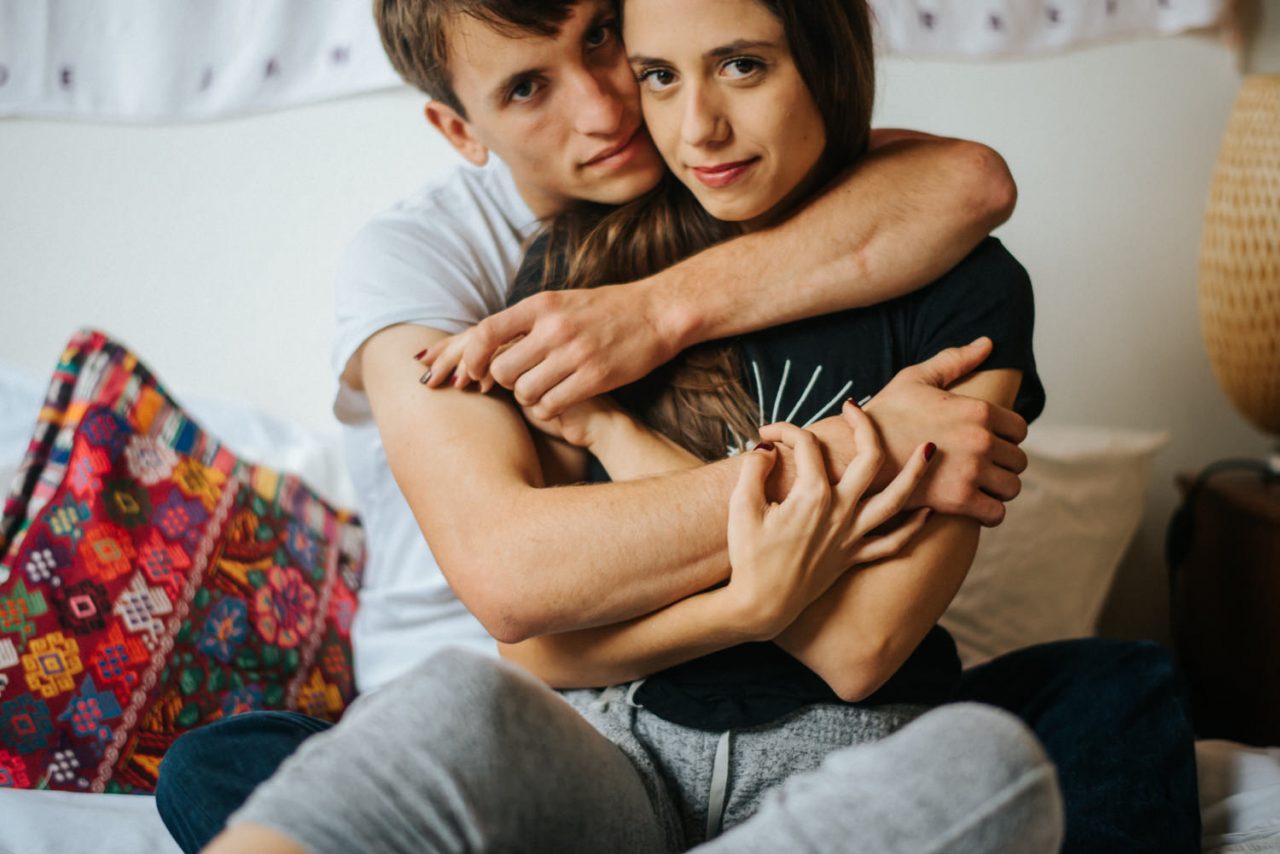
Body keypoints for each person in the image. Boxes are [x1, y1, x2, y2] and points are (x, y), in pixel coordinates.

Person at [156, 0, 1197, 851]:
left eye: (614, 47)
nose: (634, 112)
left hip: (850, 740)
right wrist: (844, 474)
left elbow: (858, 651)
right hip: (618, 741)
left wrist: (627, 404)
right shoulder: (547, 266)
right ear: (460, 127)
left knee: (1050, 727)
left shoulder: (930, 263)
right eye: (530, 86)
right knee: (300, 742)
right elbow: (524, 627)